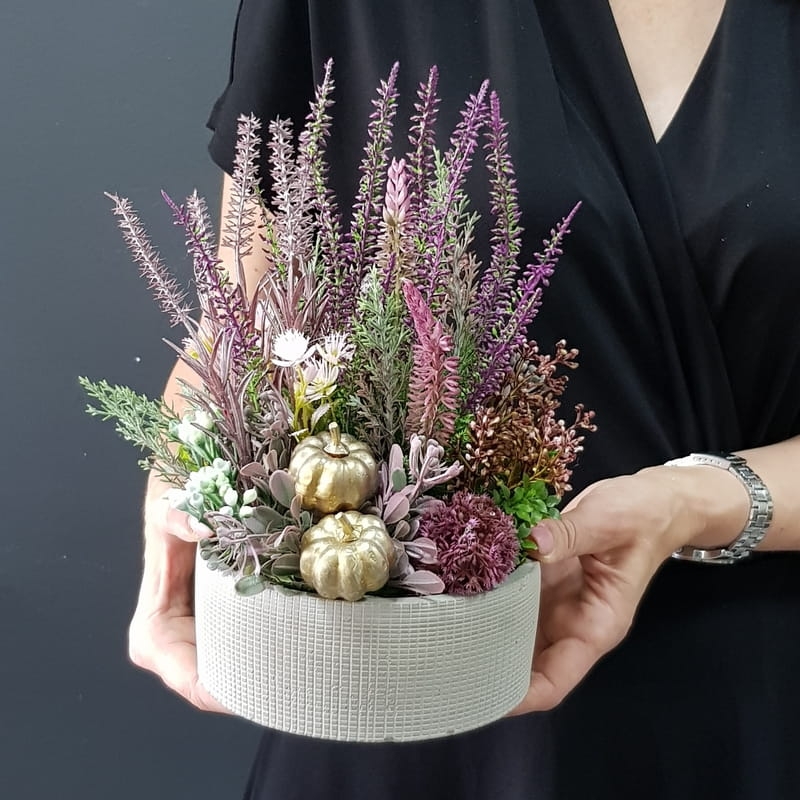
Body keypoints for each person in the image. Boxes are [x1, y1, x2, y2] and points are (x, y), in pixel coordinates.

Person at [128, 1, 800, 797]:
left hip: (750, 707)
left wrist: (694, 501)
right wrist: (182, 501)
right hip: (408, 679)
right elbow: (246, 330)